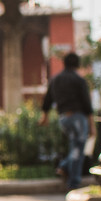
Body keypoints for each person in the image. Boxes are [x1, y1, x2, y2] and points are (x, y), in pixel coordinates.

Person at [41, 52, 96, 191]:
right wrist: (92, 125)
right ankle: (73, 182)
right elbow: (86, 103)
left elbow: (47, 99)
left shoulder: (55, 79)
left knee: (75, 147)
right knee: (78, 148)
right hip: (77, 117)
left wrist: (45, 116)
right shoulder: (78, 80)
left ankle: (64, 167)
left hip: (63, 118)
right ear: (77, 64)